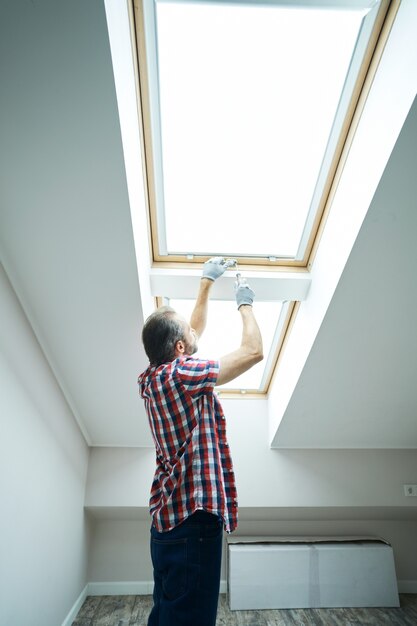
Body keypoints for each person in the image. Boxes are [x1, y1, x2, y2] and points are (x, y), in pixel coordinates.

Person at [138, 257, 263, 626]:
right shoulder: (183, 374)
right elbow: (253, 353)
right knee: (190, 619)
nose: (195, 340)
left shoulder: (150, 379)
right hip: (194, 521)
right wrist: (245, 304)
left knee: (167, 611)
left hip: (166, 521)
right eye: (188, 342)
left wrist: (206, 283)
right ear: (179, 349)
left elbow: (189, 332)